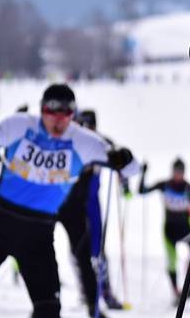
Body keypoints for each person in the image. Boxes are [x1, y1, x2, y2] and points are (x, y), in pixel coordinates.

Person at [0, 84, 138, 318]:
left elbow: (132, 168)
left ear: (73, 115)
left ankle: (93, 306)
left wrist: (123, 157)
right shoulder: (20, 125)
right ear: (42, 111)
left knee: (48, 310)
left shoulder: (83, 141)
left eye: (66, 115)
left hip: (38, 233)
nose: (58, 122)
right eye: (52, 114)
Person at [57, 109, 127, 316]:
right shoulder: (72, 139)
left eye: (90, 125)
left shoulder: (100, 142)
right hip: (71, 201)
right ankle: (87, 291)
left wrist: (123, 179)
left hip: (92, 203)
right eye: (82, 125)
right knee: (78, 250)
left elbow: (120, 158)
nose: (86, 129)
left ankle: (105, 292)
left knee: (96, 248)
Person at [137, 157, 190, 302]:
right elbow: (142, 191)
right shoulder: (164, 185)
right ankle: (176, 291)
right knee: (172, 262)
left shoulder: (189, 188)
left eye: (181, 171)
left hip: (187, 230)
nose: (178, 174)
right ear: (172, 171)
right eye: (176, 171)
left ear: (184, 172)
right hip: (169, 231)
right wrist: (143, 174)